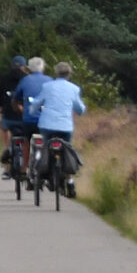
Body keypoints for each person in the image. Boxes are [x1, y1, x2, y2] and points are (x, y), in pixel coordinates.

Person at [31, 61, 86, 196]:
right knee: (67, 149)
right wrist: (81, 111)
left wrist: (32, 111)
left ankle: (44, 172)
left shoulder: (47, 86)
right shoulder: (74, 88)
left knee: (46, 147)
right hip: (65, 126)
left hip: (47, 125)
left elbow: (36, 103)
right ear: (69, 74)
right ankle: (70, 182)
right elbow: (80, 108)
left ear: (56, 73)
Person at [0, 55, 31, 177]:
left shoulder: (4, 78)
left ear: (12, 66)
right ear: (24, 67)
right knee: (26, 138)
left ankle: (7, 150)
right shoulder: (27, 79)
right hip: (23, 116)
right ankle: (25, 165)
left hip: (8, 116)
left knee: (4, 128)